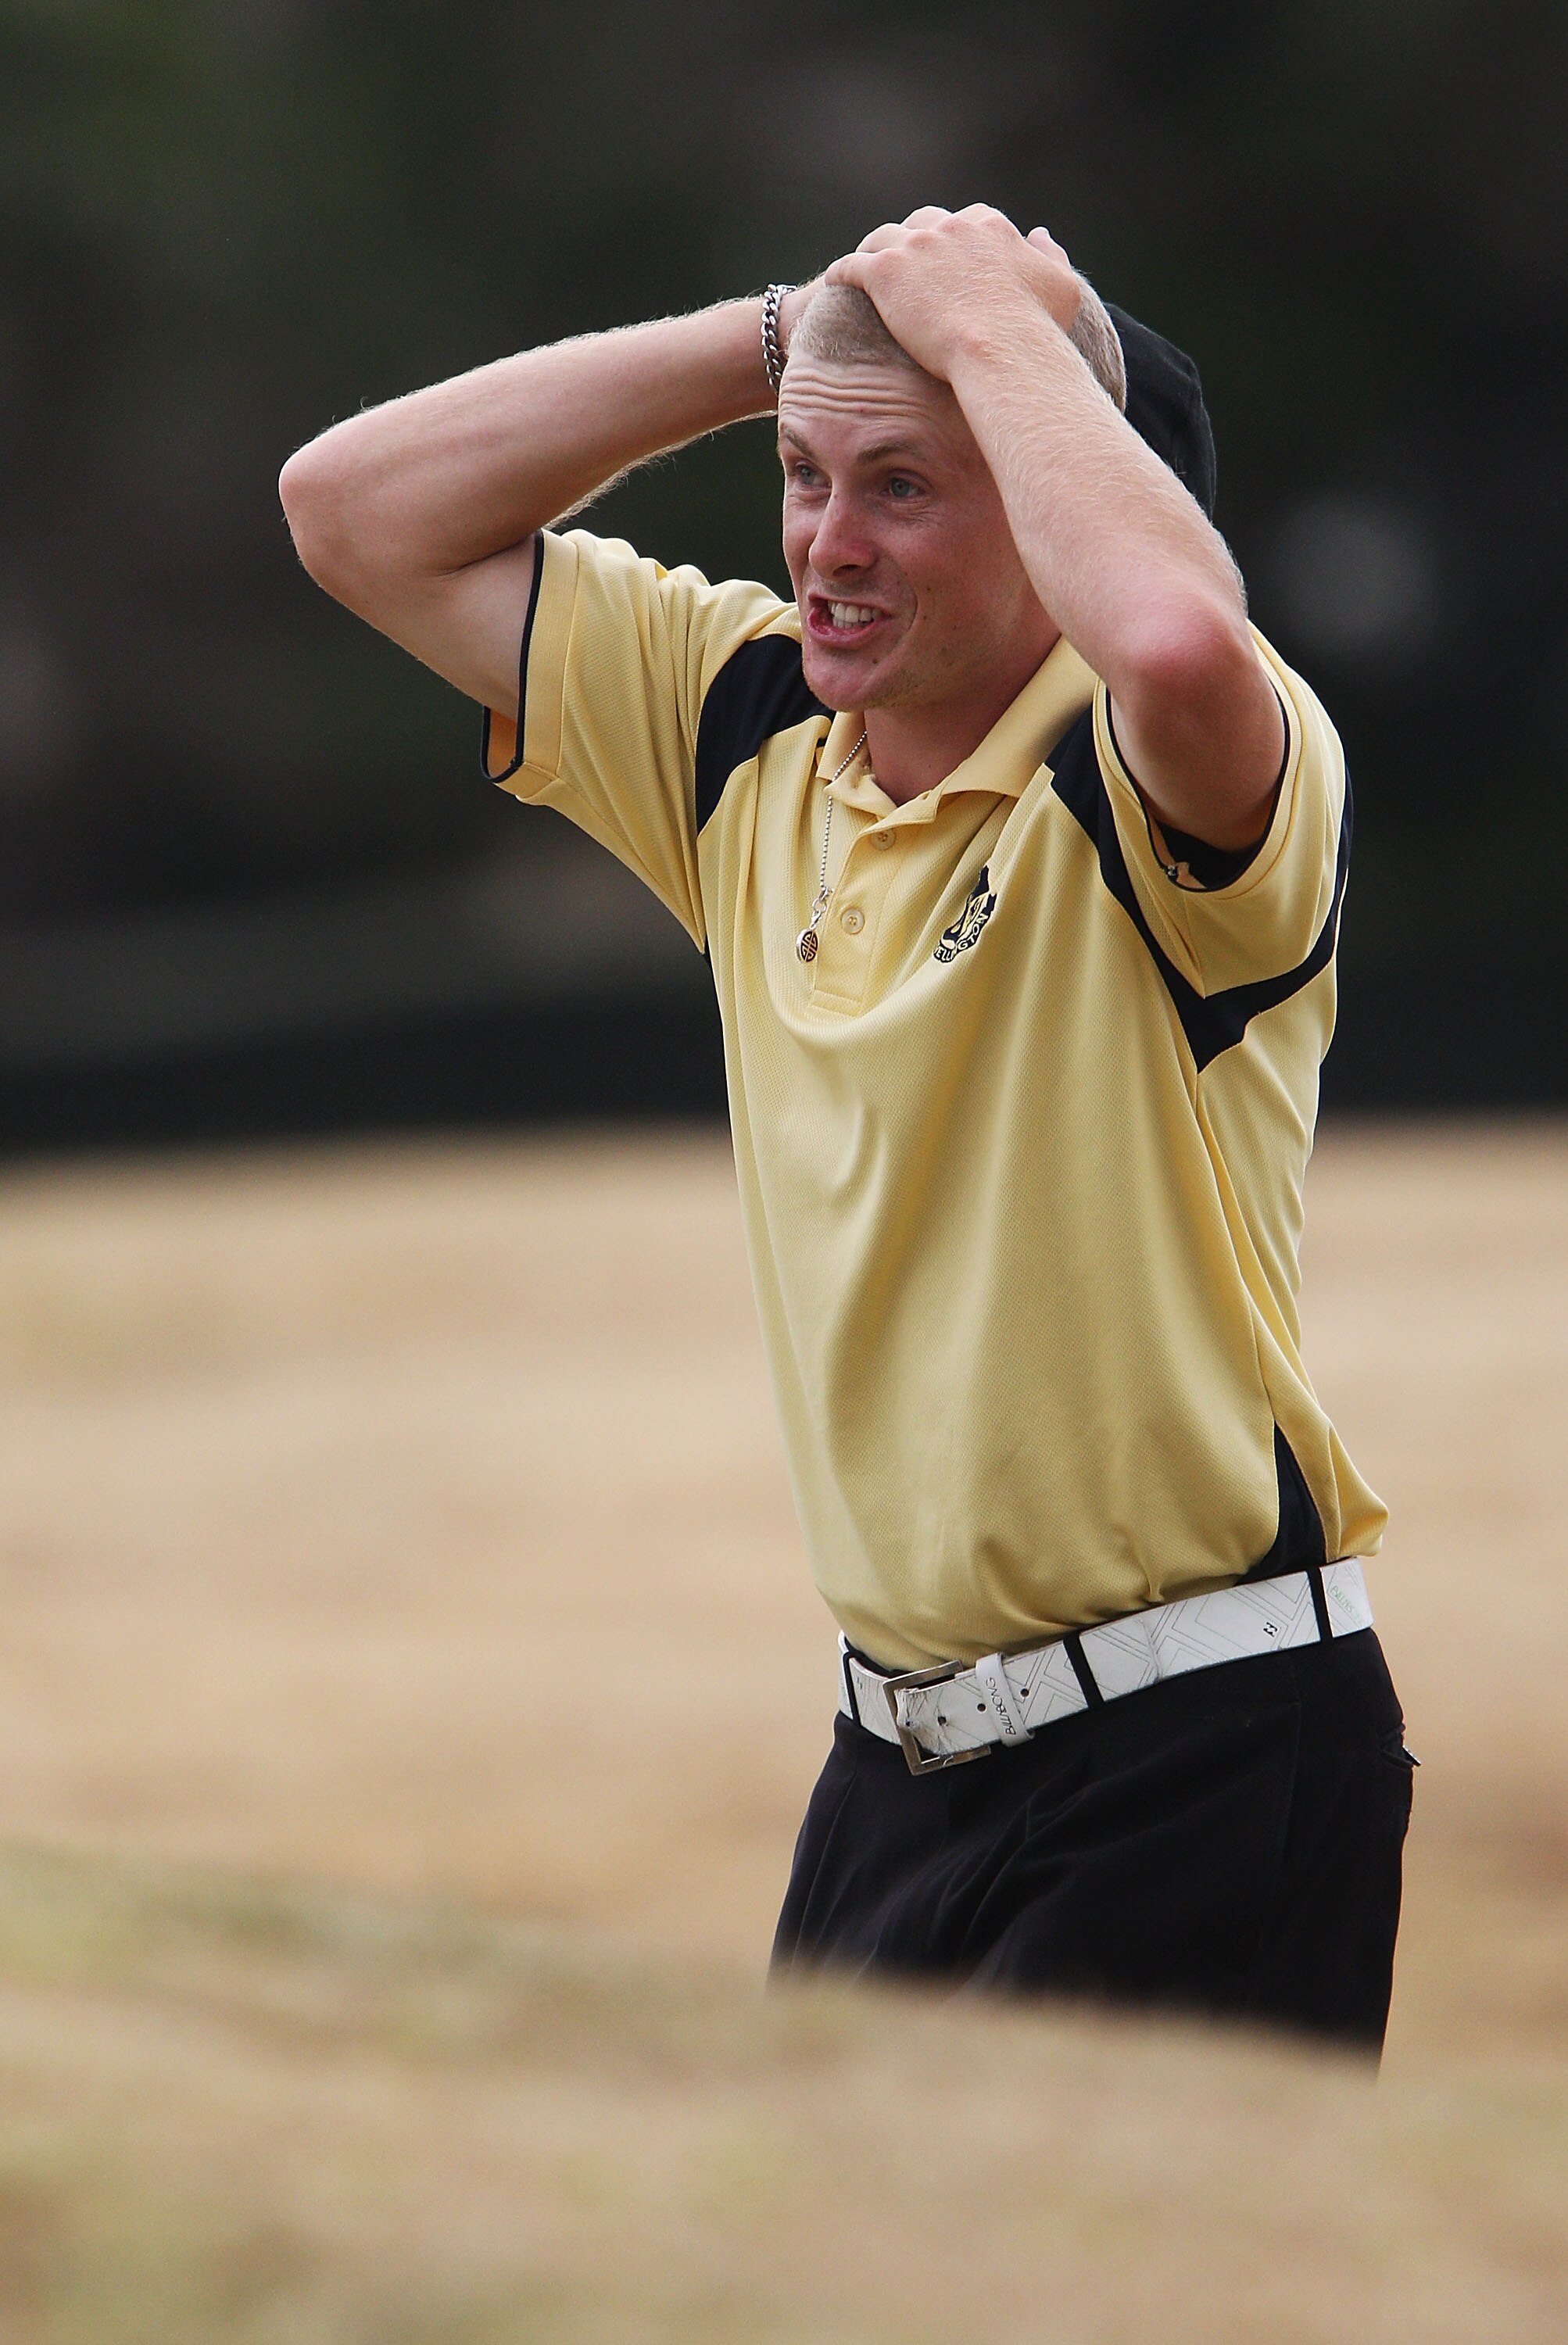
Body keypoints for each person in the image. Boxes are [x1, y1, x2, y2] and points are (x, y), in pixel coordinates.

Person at [279, 205, 1415, 2052]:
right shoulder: (745, 732)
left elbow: (1174, 641)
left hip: (1202, 1753)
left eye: (903, 485)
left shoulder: (1159, 766)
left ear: (1057, 503)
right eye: (806, 476)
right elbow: (352, 510)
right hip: (890, 1777)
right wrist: (790, 331)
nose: (825, 543)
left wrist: (992, 332)